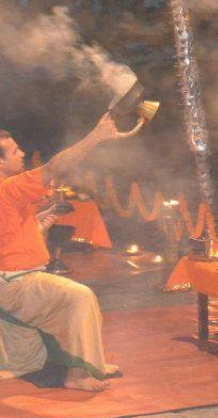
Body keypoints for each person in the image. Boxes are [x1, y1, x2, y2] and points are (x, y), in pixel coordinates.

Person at [0, 114, 130, 391]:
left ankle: (87, 362)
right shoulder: (8, 189)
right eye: (14, 151)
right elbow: (55, 167)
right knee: (78, 297)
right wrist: (96, 136)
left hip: (12, 280)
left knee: (66, 300)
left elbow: (9, 240)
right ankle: (78, 374)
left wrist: (37, 227)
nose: (22, 153)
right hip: (14, 284)